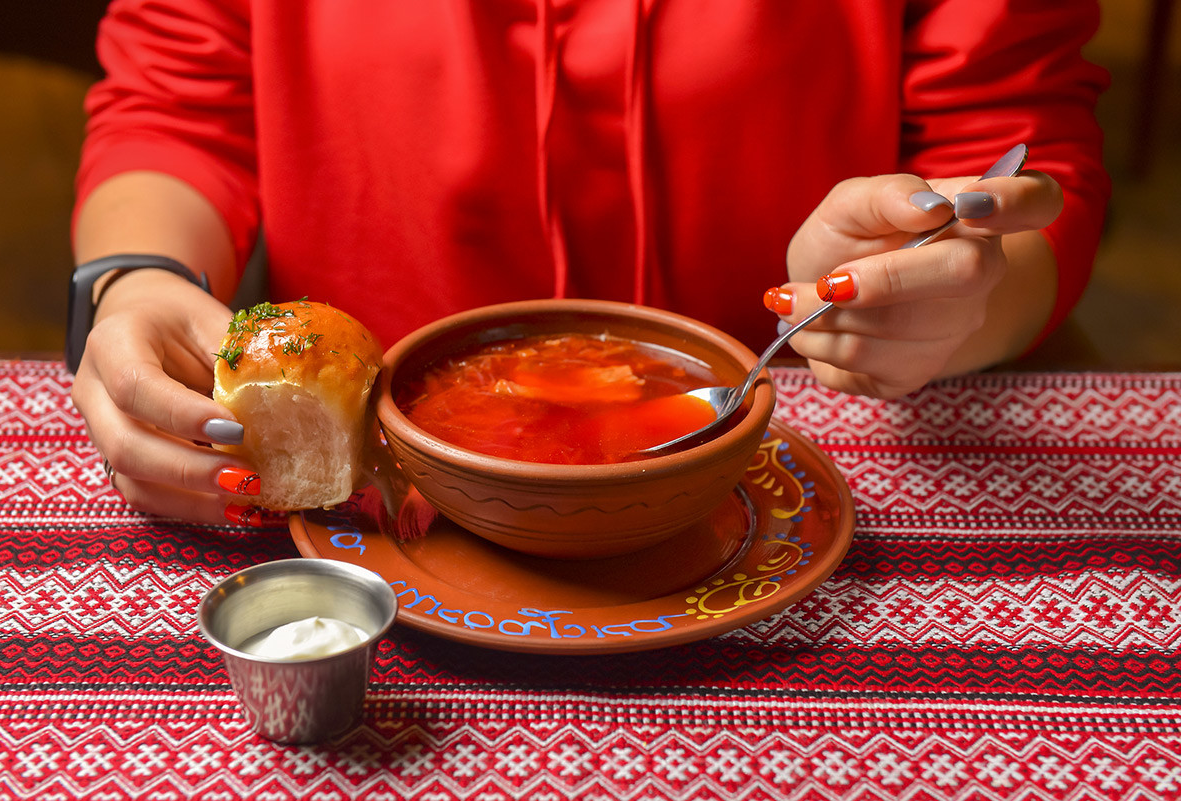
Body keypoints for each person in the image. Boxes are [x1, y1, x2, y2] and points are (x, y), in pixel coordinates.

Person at [68, 0, 1110, 526]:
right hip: (386, 490)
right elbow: (179, 102)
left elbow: (1011, 137)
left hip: (805, 450)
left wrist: (956, 297)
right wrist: (135, 277)